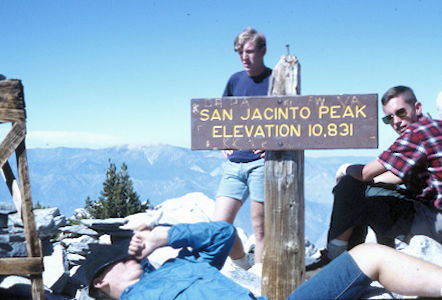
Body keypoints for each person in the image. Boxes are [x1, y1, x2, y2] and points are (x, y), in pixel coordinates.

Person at [80, 221, 442, 300]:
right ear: (100, 280)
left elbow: (223, 234)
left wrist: (163, 237)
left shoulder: (178, 264)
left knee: (368, 254)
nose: (132, 255)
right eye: (121, 257)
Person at [310, 85, 442, 268]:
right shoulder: (435, 127)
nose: (396, 121)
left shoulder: (415, 134)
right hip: (435, 215)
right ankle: (355, 256)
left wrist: (344, 169)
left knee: (352, 187)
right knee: (361, 191)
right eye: (389, 118)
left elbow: (364, 173)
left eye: (401, 113)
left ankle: (337, 259)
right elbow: (397, 176)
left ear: (417, 107)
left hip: (434, 221)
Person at [213, 27, 272, 269]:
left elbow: (293, 120)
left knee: (261, 230)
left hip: (261, 163)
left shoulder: (276, 79)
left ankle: (258, 284)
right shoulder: (235, 80)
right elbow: (221, 116)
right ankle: (243, 269)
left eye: (249, 52)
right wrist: (223, 141)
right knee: (219, 227)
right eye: (240, 53)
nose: (244, 58)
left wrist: (275, 144)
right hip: (234, 162)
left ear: (263, 51)